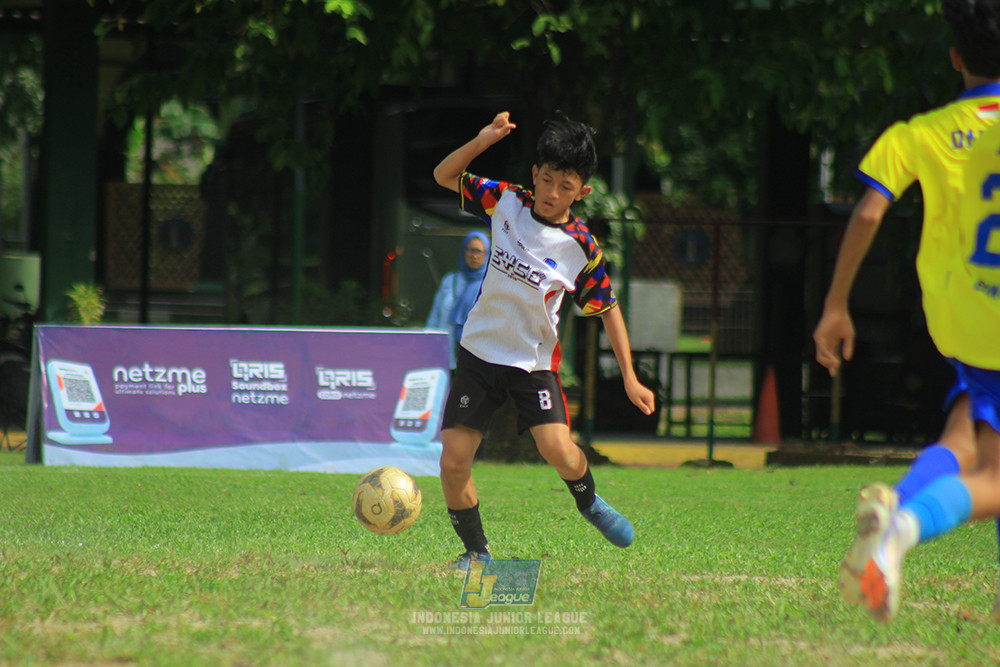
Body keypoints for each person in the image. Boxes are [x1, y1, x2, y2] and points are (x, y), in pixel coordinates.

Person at [813, 0, 1000, 621]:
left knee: (967, 434)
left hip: (962, 318)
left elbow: (868, 211)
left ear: (955, 58)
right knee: (996, 477)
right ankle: (905, 526)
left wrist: (837, 305)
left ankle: (897, 505)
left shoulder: (922, 131)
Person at [432, 111, 656, 568]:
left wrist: (631, 379)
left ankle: (589, 502)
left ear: (583, 192)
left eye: (566, 186)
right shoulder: (505, 202)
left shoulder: (581, 248)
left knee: (559, 451)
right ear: (535, 174)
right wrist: (483, 139)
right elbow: (444, 175)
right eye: (548, 179)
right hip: (478, 355)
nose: (553, 194)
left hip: (532, 366)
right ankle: (477, 553)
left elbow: (608, 311)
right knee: (453, 462)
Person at [426, 231, 490, 369]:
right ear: (464, 252)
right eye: (471, 250)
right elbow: (435, 317)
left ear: (487, 254)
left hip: (477, 358)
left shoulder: (490, 283)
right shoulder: (450, 280)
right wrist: (429, 347)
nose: (474, 256)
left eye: (479, 251)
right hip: (446, 357)